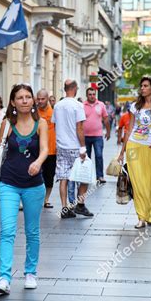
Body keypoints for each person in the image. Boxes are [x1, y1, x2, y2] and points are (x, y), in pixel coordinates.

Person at [0, 83, 48, 294]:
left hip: (34, 186)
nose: (25, 100)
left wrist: (38, 162)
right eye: (20, 97)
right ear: (13, 102)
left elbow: (45, 148)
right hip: (8, 183)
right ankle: (4, 278)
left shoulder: (41, 123)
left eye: (28, 97)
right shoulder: (7, 124)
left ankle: (30, 273)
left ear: (33, 100)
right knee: (7, 231)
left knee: (32, 231)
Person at [118, 75, 151, 228]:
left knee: (149, 182)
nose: (143, 88)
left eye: (146, 86)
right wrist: (122, 151)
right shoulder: (134, 106)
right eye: (142, 86)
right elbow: (129, 128)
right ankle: (141, 217)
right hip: (133, 145)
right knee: (137, 182)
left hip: (150, 146)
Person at [52, 79, 93, 218]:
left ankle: (65, 208)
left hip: (62, 147)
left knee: (63, 178)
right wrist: (83, 147)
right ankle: (80, 205)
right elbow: (79, 128)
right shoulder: (78, 105)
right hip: (75, 147)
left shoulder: (57, 106)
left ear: (65, 89)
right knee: (84, 175)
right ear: (75, 88)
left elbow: (55, 126)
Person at [83, 87, 111, 183]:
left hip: (97, 136)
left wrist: (108, 131)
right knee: (87, 157)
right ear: (87, 95)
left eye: (93, 94)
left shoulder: (101, 104)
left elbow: (106, 119)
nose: (92, 96)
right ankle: (87, 176)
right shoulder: (82, 105)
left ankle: (100, 176)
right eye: (90, 94)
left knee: (99, 155)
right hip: (85, 136)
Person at [36, 89, 57, 208]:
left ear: (47, 98)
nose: (40, 101)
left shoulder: (54, 112)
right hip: (36, 150)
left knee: (49, 176)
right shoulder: (34, 113)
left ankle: (46, 199)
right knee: (35, 175)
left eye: (42, 99)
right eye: (38, 99)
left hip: (51, 150)